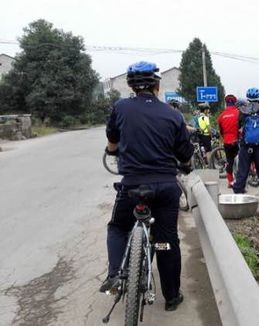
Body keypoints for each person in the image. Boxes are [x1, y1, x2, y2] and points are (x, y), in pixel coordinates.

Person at [102, 61, 194, 312]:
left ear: (131, 86)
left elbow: (112, 142)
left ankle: (114, 276)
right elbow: (185, 153)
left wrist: (113, 151)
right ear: (157, 84)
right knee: (166, 241)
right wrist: (185, 165)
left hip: (132, 186)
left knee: (119, 227)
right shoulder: (173, 114)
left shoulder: (120, 107)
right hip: (165, 188)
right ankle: (172, 297)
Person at [233, 87, 259, 205]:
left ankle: (238, 194)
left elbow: (239, 127)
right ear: (258, 97)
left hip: (245, 145)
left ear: (248, 98)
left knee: (242, 170)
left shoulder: (242, 111)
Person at [217, 94, 240, 188]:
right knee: (241, 161)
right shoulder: (239, 113)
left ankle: (230, 182)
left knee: (229, 161)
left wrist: (225, 138)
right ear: (234, 103)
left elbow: (221, 131)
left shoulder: (221, 116)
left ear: (226, 104)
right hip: (237, 141)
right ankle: (240, 181)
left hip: (227, 142)